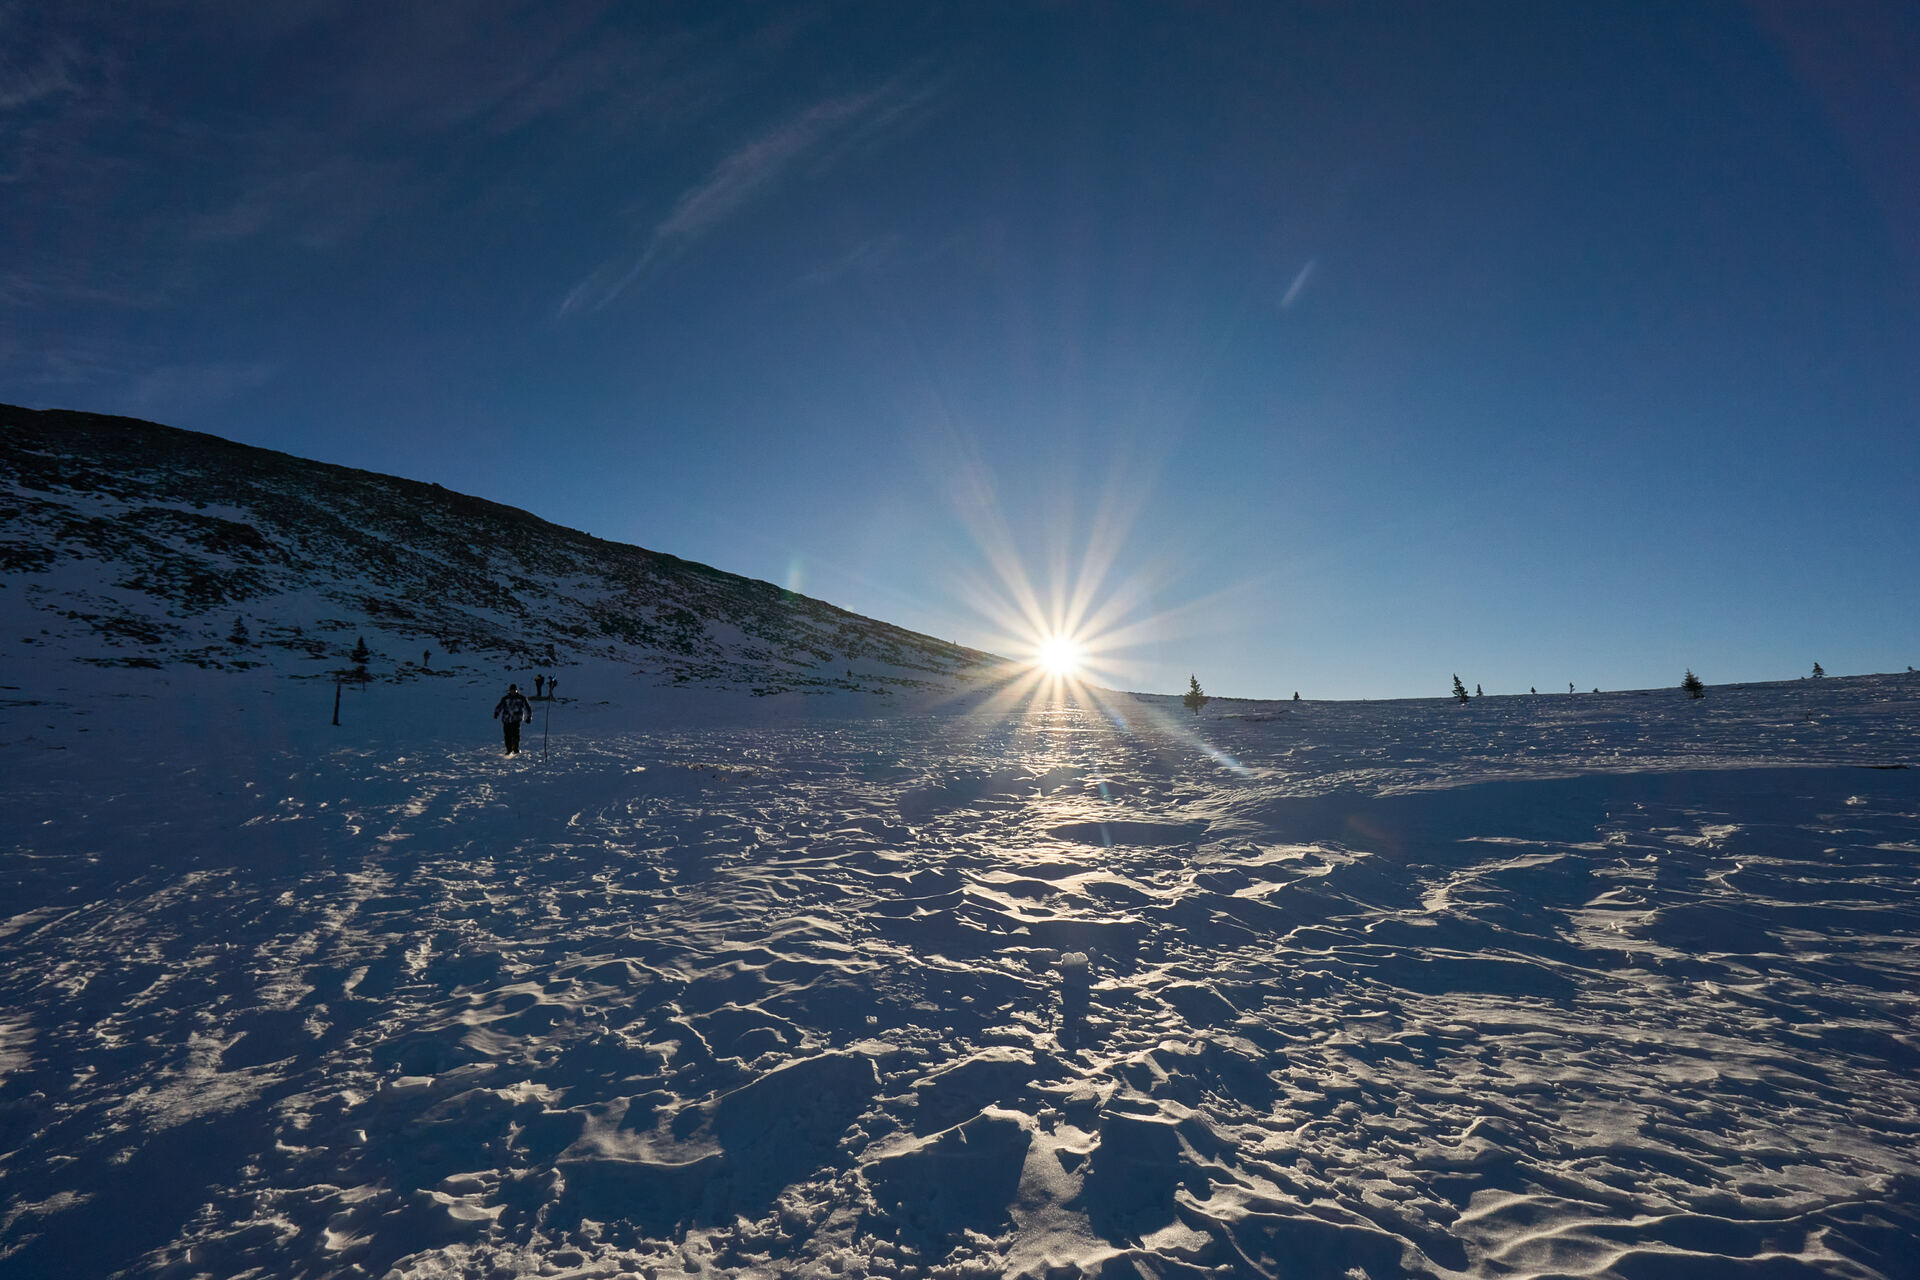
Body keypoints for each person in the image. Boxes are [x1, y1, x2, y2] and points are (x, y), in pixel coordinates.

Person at [493, 683, 532, 755]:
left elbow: (527, 708)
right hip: (506, 719)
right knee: (507, 735)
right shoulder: (505, 699)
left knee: (516, 734)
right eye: (511, 690)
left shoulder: (521, 698)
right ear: (509, 690)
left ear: (516, 690)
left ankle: (516, 749)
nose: (513, 692)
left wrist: (529, 717)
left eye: (514, 690)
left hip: (516, 719)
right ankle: (509, 749)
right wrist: (496, 713)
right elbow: (500, 706)